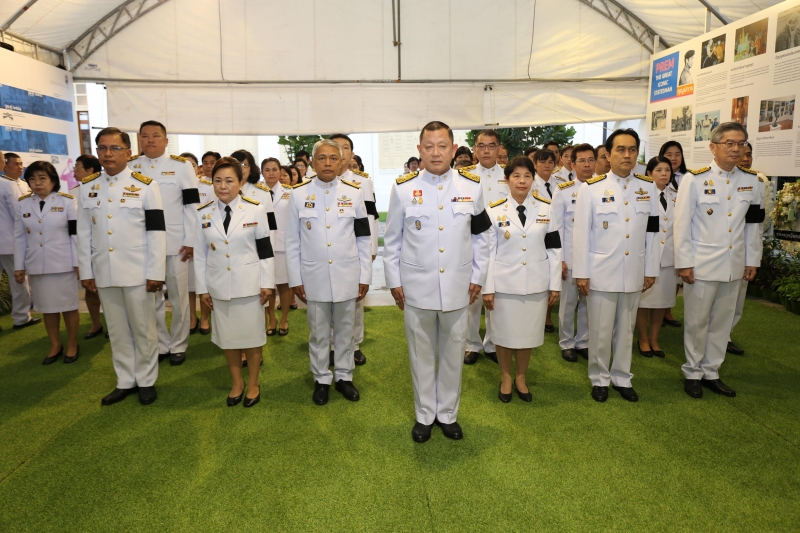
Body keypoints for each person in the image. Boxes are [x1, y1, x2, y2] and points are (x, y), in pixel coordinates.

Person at [383, 121, 491, 443]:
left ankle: (447, 415)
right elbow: (392, 239)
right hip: (416, 287)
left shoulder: (472, 186)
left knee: (453, 352)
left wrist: (478, 275)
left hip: (458, 285)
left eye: (442, 146)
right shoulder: (403, 188)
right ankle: (424, 415)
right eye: (428, 146)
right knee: (420, 353)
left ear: (453, 149)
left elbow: (483, 237)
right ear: (419, 150)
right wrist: (394, 281)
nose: (435, 152)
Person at [78, 127, 166, 406]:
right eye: (102, 148)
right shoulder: (87, 186)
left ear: (128, 152)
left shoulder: (146, 185)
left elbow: (157, 232)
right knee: (116, 330)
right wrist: (86, 271)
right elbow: (83, 233)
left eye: (115, 148)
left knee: (144, 329)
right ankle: (125, 380)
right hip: (104, 271)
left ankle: (147, 381)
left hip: (138, 271)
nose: (108, 153)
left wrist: (156, 272)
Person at [675, 123, 764, 399]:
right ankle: (692, 372)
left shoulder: (752, 181)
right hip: (701, 264)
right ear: (713, 147)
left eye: (741, 143)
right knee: (697, 321)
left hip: (733, 264)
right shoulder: (694, 179)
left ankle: (711, 371)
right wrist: (684, 262)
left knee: (722, 323)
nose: (736, 149)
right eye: (730, 143)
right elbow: (681, 224)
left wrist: (752, 259)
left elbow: (754, 225)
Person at [573, 129, 660, 403]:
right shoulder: (591, 188)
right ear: (608, 155)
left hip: (633, 270)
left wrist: (651, 269)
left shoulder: (648, 187)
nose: (627, 155)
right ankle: (599, 378)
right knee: (600, 331)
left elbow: (653, 231)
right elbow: (580, 234)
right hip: (601, 272)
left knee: (626, 329)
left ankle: (622, 377)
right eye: (620, 149)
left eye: (632, 149)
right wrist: (582, 273)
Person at [285, 139, 372, 405]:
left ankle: (344, 376)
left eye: (333, 158)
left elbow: (363, 238)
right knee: (319, 332)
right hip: (314, 276)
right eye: (321, 158)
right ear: (312, 162)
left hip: (347, 274)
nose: (327, 163)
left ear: (341, 161)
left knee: (346, 331)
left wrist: (365, 276)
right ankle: (321, 378)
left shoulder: (354, 192)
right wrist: (295, 279)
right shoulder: (298, 194)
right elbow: (292, 241)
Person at [195, 157, 275, 407]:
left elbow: (265, 250)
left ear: (240, 182)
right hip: (219, 286)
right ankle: (237, 383)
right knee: (228, 339)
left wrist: (267, 283)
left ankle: (253, 383)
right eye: (217, 180)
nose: (223, 186)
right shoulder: (202, 213)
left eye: (229, 180)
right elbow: (200, 255)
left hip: (250, 286)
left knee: (252, 338)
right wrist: (202, 289)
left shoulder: (255, 210)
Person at [483, 157, 561, 402]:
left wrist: (554, 284)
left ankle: (521, 378)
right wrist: (487, 288)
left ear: (533, 179)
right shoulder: (493, 210)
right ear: (506, 180)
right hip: (504, 285)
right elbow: (488, 253)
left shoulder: (546, 208)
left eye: (527, 176)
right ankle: (506, 377)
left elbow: (554, 249)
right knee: (503, 335)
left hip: (535, 283)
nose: (522, 181)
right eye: (516, 176)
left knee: (526, 335)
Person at [129, 121, 199, 366]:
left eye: (156, 136)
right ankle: (160, 343)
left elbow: (192, 206)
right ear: (139, 139)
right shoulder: (131, 167)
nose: (150, 140)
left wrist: (190, 240)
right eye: (145, 136)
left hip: (175, 244)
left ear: (166, 141)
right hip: (142, 245)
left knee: (179, 298)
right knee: (151, 298)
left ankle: (178, 344)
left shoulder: (181, 166)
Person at [14, 161, 80, 364]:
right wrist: (19, 266)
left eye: (42, 178)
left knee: (69, 306)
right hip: (37, 265)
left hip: (63, 264)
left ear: (53, 180)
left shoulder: (68, 202)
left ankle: (72, 343)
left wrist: (79, 263)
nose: (37, 183)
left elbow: (75, 235)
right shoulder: (23, 204)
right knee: (47, 308)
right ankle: (55, 344)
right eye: (32, 179)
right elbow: (19, 237)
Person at [329, 133, 379, 366]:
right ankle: (331, 345)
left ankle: (355, 344)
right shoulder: (315, 181)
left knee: (355, 300)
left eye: (345, 148)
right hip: (328, 253)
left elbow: (370, 216)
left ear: (351, 154)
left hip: (355, 249)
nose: (341, 152)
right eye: (335, 147)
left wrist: (371, 247)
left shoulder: (362, 182)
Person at [463, 129, 506, 365]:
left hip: (502, 244)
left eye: (491, 146)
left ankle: (492, 344)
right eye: (482, 146)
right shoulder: (464, 177)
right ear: (475, 149)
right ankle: (472, 344)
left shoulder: (509, 175)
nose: (487, 150)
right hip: (472, 244)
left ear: (499, 148)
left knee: (496, 298)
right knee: (472, 297)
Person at [231, 150, 278, 352]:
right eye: (236, 163)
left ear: (251, 169)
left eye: (245, 164)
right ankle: (237, 347)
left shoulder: (262, 193)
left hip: (254, 259)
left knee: (255, 308)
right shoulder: (222, 190)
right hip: (230, 260)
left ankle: (254, 349)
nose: (241, 168)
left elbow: (271, 231)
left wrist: (267, 262)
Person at [552, 143, 594, 362]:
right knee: (568, 303)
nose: (587, 165)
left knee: (589, 302)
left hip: (594, 257)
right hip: (569, 257)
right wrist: (559, 258)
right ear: (573, 164)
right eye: (582, 161)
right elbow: (556, 227)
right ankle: (567, 342)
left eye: (591, 160)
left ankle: (584, 341)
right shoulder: (564, 191)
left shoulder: (601, 189)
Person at [635, 157, 678, 358]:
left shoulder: (676, 196)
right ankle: (643, 338)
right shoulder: (641, 195)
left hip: (668, 258)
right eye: (659, 170)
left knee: (661, 301)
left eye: (667, 170)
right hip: (646, 256)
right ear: (649, 173)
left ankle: (654, 339)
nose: (664, 174)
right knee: (644, 302)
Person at [726, 142, 766, 356]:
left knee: (738, 298)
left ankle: (727, 336)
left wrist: (754, 258)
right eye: (741, 154)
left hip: (743, 250)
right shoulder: (722, 181)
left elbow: (756, 224)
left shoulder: (756, 183)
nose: (745, 159)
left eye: (748, 154)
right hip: (721, 250)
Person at [0, 152, 41, 331]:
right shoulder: (8, 185)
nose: (20, 167)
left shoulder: (20, 184)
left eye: (20, 163)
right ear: (4, 164)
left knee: (19, 281)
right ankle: (21, 318)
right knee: (20, 281)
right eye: (15, 163)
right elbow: (20, 215)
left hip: (8, 241)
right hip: (10, 242)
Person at [73, 154, 106, 339]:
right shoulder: (73, 193)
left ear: (90, 170)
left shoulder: (106, 187)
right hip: (87, 249)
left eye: (77, 167)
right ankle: (96, 323)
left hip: (106, 248)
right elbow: (76, 230)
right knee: (91, 289)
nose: (74, 171)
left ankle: (114, 324)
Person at [261, 157, 293, 336]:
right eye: (267, 170)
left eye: (274, 169)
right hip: (263, 245)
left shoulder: (290, 192)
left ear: (280, 171)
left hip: (282, 244)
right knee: (268, 284)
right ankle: (271, 318)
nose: (271, 173)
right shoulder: (256, 192)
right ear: (262, 172)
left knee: (284, 284)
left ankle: (284, 318)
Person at [657, 141, 687, 328]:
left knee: (674, 279)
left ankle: (667, 311)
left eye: (677, 154)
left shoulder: (688, 178)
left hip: (677, 237)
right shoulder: (652, 182)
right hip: (660, 240)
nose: (673, 158)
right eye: (669, 154)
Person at [531, 149, 559, 333]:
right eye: (542, 162)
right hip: (537, 235)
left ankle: (548, 315)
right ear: (535, 164)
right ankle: (537, 315)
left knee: (552, 276)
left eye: (550, 162)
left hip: (555, 233)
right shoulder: (530, 184)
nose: (547, 166)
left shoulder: (560, 184)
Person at [196, 151, 220, 334]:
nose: (209, 166)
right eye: (205, 162)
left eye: (213, 162)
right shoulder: (196, 184)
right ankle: (204, 318)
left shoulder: (225, 183)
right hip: (204, 231)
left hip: (221, 234)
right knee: (204, 278)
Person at [180, 152, 203, 334]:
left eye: (192, 165)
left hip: (203, 240)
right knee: (187, 285)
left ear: (197, 167)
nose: (189, 168)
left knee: (202, 282)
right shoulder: (176, 184)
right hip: (183, 241)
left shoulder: (209, 186)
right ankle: (192, 317)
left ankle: (205, 317)